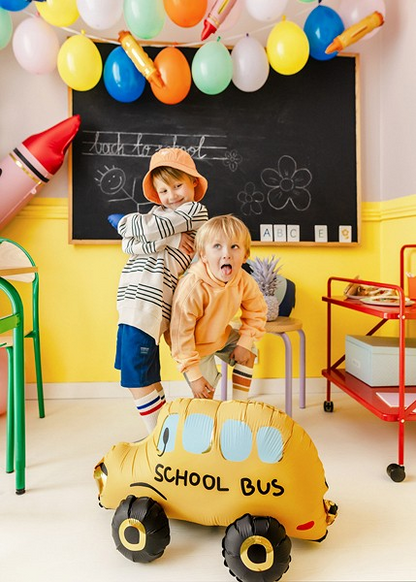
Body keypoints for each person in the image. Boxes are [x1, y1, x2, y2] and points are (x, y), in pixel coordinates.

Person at [110, 148, 208, 432]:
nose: (172, 195)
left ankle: (159, 438)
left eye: (178, 186)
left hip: (150, 304)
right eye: (164, 190)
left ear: (192, 182)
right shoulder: (159, 215)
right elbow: (127, 245)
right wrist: (171, 242)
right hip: (131, 303)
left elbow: (146, 230)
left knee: (135, 374)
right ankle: (167, 430)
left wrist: (125, 223)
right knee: (144, 371)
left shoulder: (194, 211)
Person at [170, 214, 267, 400]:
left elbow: (257, 311)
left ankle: (239, 405)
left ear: (245, 255)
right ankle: (206, 420)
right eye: (217, 246)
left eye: (234, 247)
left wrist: (244, 343)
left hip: (220, 336)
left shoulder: (244, 281)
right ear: (203, 255)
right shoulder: (192, 287)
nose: (226, 254)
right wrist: (194, 375)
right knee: (205, 393)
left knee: (248, 353)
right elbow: (180, 335)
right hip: (193, 346)